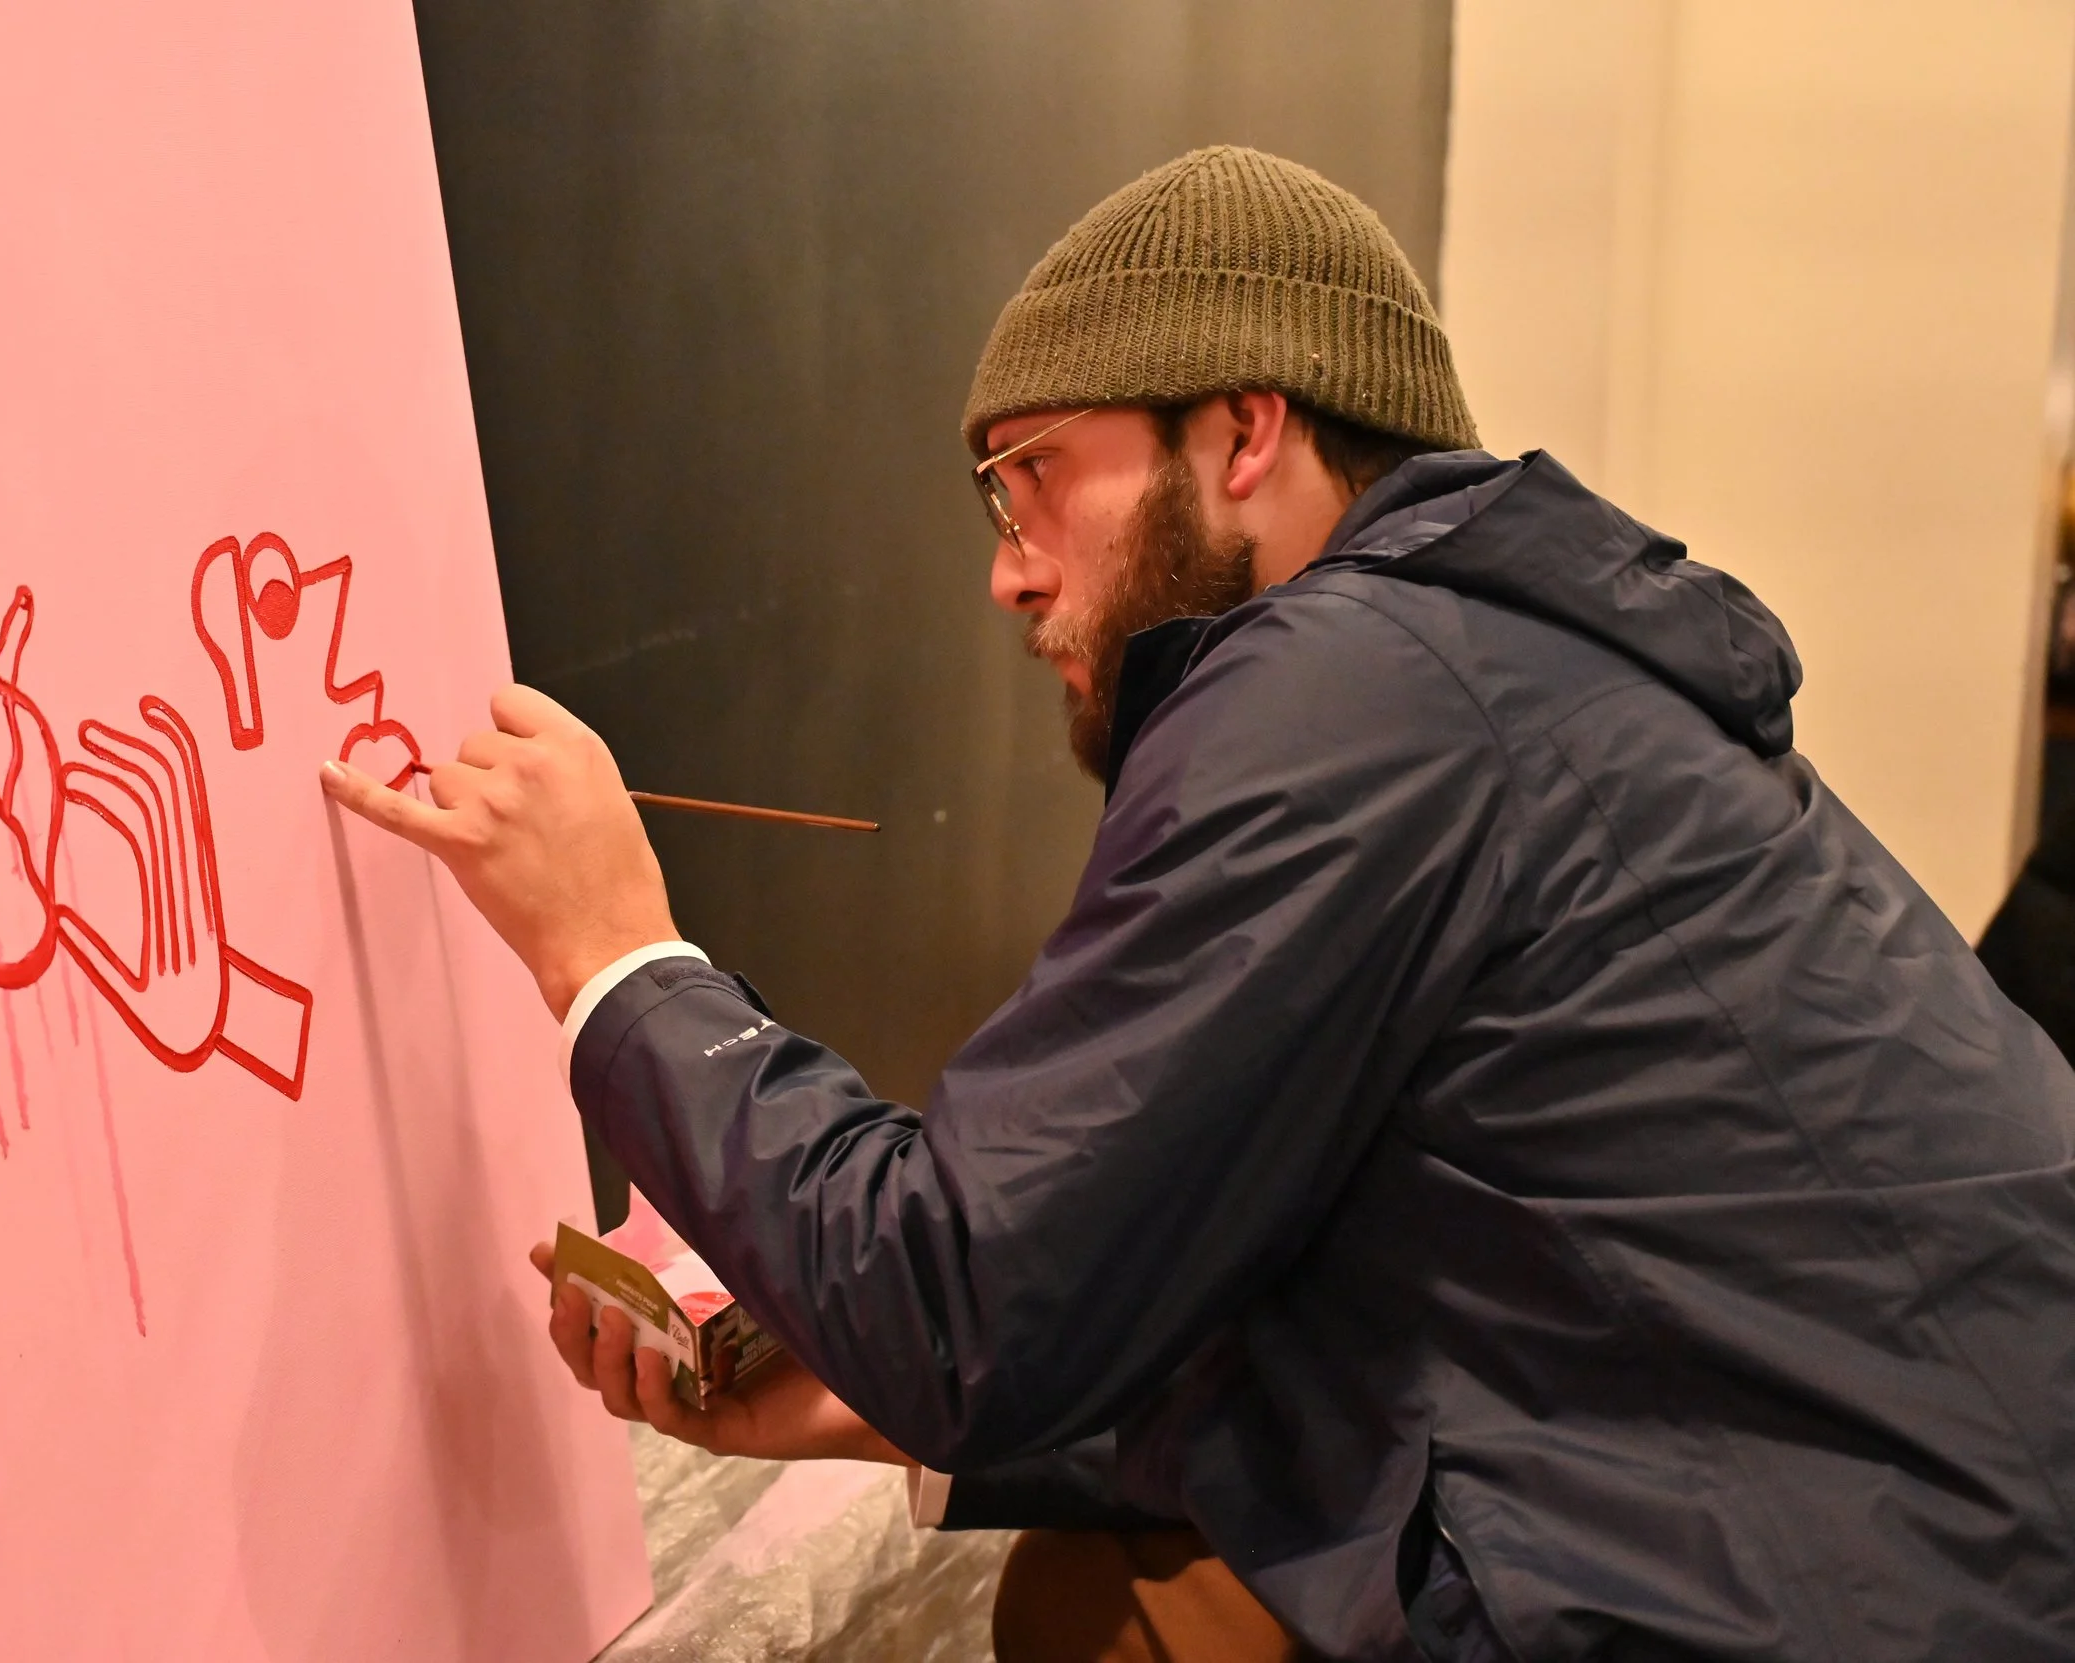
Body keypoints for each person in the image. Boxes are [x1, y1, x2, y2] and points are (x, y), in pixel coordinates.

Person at [322, 147, 2075, 1662]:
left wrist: (616, 955)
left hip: (1894, 1588)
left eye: (1032, 474)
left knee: (1112, 1617)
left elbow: (971, 1298)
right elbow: (1400, 1329)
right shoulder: (1477, 669)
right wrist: (889, 1414)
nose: (1007, 562)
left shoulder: (1349, 690)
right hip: (1930, 1538)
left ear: (1245, 431)